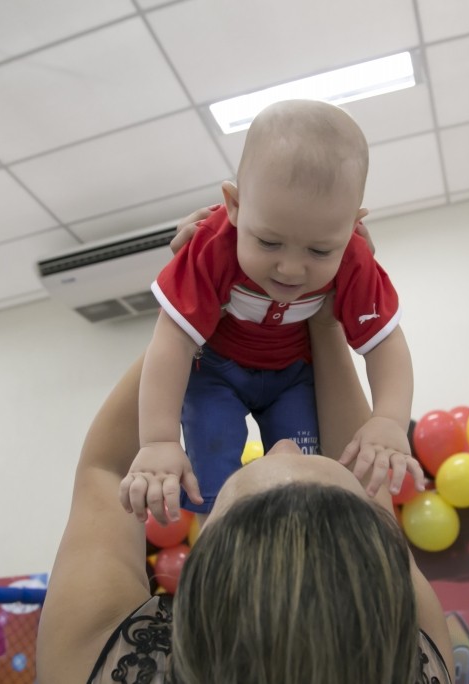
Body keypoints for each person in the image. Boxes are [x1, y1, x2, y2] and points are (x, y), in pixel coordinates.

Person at [37, 211, 453, 684]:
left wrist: (200, 294)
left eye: (245, 477)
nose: (282, 447)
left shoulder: (98, 658)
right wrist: (321, 309)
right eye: (315, 460)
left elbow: (106, 471)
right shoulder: (420, 657)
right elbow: (360, 469)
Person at [121, 99, 420, 525]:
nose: (291, 268)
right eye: (268, 243)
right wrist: (157, 440)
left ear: (353, 225)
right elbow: (171, 341)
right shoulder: (211, 245)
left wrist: (389, 419)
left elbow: (385, 343)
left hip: (292, 375)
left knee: (307, 476)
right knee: (214, 461)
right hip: (215, 372)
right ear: (235, 206)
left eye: (319, 250)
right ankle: (218, 542)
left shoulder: (353, 257)